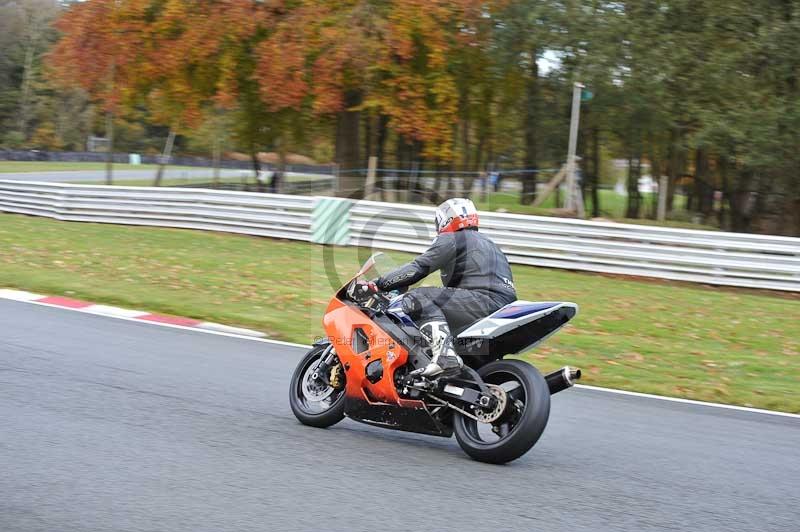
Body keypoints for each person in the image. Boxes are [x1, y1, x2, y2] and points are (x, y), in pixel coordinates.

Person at [373, 198, 517, 378]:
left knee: (417, 298)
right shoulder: (491, 244)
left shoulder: (453, 238)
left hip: (481, 301)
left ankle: (445, 357)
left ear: (445, 219)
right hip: (503, 305)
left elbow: (418, 268)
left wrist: (380, 283)